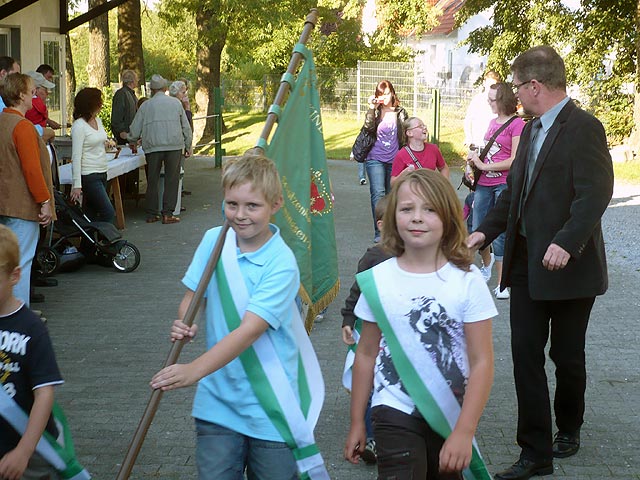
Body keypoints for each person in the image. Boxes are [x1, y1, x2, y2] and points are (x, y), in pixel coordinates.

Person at [467, 46, 614, 480]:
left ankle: (568, 428)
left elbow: (595, 193)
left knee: (566, 355)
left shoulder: (585, 128)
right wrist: (483, 233)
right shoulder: (529, 130)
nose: (514, 92)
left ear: (535, 86)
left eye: (516, 85)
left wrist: (567, 242)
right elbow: (512, 195)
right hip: (525, 265)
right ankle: (534, 452)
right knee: (524, 353)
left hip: (571, 268)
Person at [150, 154, 327, 480]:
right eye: (232, 204)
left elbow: (249, 331)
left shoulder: (282, 262)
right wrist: (187, 320)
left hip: (270, 406)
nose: (240, 215)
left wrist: (192, 371)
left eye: (252, 206)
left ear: (275, 204)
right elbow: (193, 296)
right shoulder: (213, 241)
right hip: (217, 403)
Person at [345, 169, 496, 479]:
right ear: (391, 217)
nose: (417, 217)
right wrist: (358, 421)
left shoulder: (467, 282)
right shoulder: (378, 280)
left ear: (449, 219)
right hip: (393, 407)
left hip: (449, 412)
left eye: (429, 209)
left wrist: (465, 431)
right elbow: (365, 354)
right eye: (406, 209)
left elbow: (482, 362)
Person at [0, 225, 64, 480]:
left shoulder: (31, 329)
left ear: (15, 276)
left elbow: (45, 394)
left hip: (28, 455)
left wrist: (24, 452)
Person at [341, 194, 392, 465]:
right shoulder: (372, 257)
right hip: (373, 334)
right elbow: (356, 292)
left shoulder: (414, 255)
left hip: (398, 339)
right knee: (371, 384)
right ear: (382, 225)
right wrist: (348, 320)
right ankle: (371, 438)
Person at [0, 73, 54, 307]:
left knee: (6, 263)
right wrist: (44, 201)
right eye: (31, 90)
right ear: (20, 94)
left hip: (4, 202)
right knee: (20, 263)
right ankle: (17, 317)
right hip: (21, 205)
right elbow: (32, 169)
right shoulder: (22, 127)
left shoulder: (2, 121)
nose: (34, 94)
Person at [468, 82, 525, 297]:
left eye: (492, 99)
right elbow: (488, 150)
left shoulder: (517, 124)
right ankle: (486, 265)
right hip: (484, 183)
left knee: (501, 233)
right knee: (477, 227)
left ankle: (503, 283)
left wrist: (484, 166)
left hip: (502, 182)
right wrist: (474, 161)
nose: (489, 103)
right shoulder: (492, 122)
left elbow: (514, 159)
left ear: (502, 100)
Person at [128, 74, 192, 224]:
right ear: (165, 89)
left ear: (151, 90)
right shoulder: (176, 104)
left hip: (153, 146)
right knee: (172, 179)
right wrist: (188, 145)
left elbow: (135, 128)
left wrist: (132, 140)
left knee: (152, 180)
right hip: (174, 146)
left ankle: (152, 214)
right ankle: (168, 213)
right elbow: (186, 127)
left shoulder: (145, 106)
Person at [361, 79, 409, 243]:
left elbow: (406, 134)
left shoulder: (400, 112)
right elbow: (367, 128)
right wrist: (371, 108)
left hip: (395, 159)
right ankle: (379, 231)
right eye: (381, 94)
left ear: (392, 93)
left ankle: (391, 230)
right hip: (375, 158)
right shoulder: (375, 111)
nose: (385, 97)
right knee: (378, 193)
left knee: (392, 195)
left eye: (387, 93)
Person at [69, 87, 115, 224]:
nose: (101, 104)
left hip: (102, 171)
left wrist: (107, 144)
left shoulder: (98, 121)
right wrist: (76, 184)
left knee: (91, 213)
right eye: (98, 102)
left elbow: (98, 142)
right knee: (108, 211)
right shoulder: (79, 126)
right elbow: (76, 156)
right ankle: (106, 242)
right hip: (89, 174)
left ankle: (87, 244)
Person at [390, 117, 449, 184]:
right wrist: (403, 174)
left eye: (424, 125)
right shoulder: (401, 155)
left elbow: (444, 168)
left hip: (430, 192)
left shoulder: (433, 149)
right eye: (420, 126)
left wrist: (443, 185)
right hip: (411, 193)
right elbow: (392, 183)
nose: (424, 128)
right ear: (409, 133)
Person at [463, 70, 501, 148]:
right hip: (477, 144)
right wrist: (468, 137)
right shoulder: (477, 100)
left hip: (493, 147)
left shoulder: (500, 103)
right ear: (484, 83)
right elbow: (468, 120)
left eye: (493, 85)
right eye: (488, 85)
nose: (490, 88)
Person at [111, 69, 138, 145]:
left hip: (130, 135)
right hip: (124, 136)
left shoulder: (130, 94)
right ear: (132, 81)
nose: (137, 81)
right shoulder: (121, 94)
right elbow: (117, 114)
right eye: (136, 79)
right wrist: (121, 131)